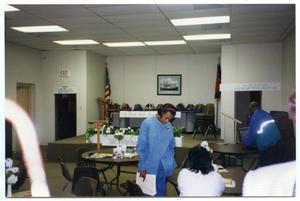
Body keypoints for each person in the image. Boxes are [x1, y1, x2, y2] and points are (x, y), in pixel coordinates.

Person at [243, 91, 296, 196]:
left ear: (252, 108)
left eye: (250, 109)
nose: (249, 111)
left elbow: (251, 135)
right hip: (276, 142)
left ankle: (266, 188)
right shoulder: (265, 113)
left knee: (265, 165)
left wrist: (245, 143)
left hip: (266, 145)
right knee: (272, 164)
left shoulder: (255, 117)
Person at [136, 103, 177, 196]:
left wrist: (169, 160)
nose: (167, 121)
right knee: (147, 192)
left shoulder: (169, 126)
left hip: (163, 165)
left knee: (161, 192)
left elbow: (171, 145)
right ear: (159, 113)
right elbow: (141, 147)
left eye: (169, 119)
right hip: (148, 165)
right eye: (165, 118)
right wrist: (143, 167)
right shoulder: (147, 123)